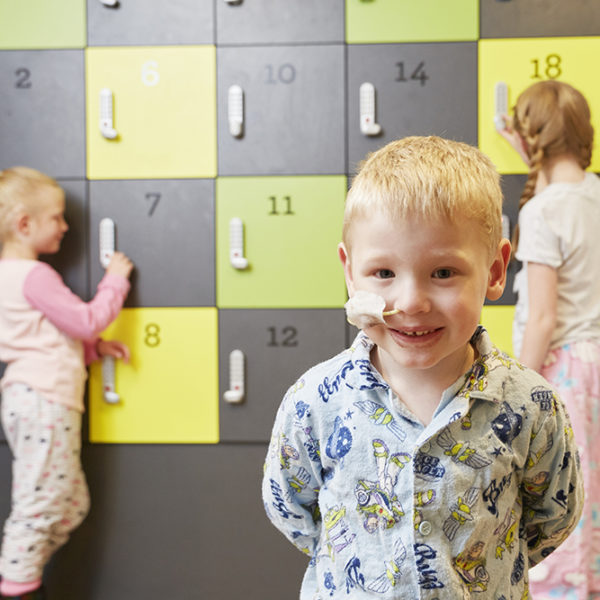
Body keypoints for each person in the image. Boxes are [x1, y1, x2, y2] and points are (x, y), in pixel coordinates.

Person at [262, 136, 583, 599]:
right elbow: (292, 509)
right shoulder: (315, 401)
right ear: (350, 273)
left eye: (444, 273)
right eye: (384, 273)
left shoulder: (531, 406)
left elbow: (552, 517)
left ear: (495, 271)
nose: (411, 302)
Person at [0, 167, 133, 600]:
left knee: (69, 504)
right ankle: (16, 585)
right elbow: (85, 320)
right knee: (39, 507)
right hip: (43, 400)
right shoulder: (32, 275)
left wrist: (95, 351)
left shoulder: (8, 277)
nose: (65, 226)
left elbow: (42, 338)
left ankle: (22, 572)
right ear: (24, 224)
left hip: (31, 394)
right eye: (56, 217)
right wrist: (115, 279)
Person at [498, 80, 600, 599]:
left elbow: (541, 318)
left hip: (563, 373)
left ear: (532, 135)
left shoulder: (542, 212)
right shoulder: (593, 193)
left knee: (562, 498)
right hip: (596, 365)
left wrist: (516, 390)